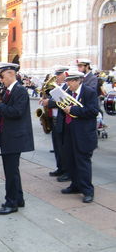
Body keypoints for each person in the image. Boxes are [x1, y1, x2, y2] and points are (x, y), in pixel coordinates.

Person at [0, 62, 34, 215]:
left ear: (10, 73)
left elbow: (17, 112)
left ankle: (11, 202)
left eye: (1, 76)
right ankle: (18, 199)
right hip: (8, 135)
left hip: (15, 136)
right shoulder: (9, 90)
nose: (1, 80)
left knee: (10, 172)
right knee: (12, 170)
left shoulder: (19, 90)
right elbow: (7, 113)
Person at [60, 71, 99, 203]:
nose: (67, 84)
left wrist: (73, 110)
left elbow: (93, 111)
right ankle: (75, 185)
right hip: (70, 131)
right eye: (67, 81)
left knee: (83, 162)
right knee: (71, 160)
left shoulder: (89, 92)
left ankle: (88, 190)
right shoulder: (69, 93)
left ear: (78, 81)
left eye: (70, 81)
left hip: (84, 134)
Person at [40, 66, 69, 178]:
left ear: (64, 75)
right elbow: (51, 100)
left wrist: (49, 102)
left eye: (58, 75)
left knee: (63, 146)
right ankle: (60, 167)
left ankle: (66, 171)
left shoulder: (67, 87)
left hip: (62, 120)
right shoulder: (54, 87)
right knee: (56, 146)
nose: (56, 77)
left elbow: (63, 102)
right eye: (56, 75)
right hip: (53, 118)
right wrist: (44, 100)